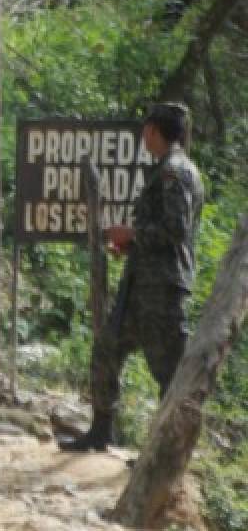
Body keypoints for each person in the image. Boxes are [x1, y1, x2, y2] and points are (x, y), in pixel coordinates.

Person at [59, 102, 205, 452]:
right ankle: (101, 430)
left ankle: (165, 453)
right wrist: (132, 245)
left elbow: (175, 230)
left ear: (155, 130)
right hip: (141, 285)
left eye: (146, 130)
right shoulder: (166, 169)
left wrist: (133, 234)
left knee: (169, 372)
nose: (143, 137)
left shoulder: (174, 172)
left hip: (163, 290)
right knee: (107, 348)